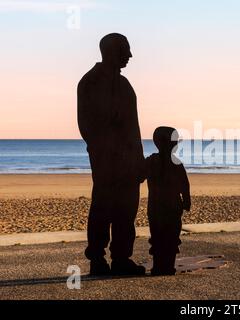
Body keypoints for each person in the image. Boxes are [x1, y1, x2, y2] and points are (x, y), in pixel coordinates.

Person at [77, 33, 146, 276]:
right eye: (125, 50)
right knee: (102, 208)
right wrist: (105, 150)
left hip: (129, 162)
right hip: (106, 161)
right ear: (110, 51)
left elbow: (133, 128)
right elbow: (87, 125)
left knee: (126, 211)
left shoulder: (125, 85)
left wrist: (138, 160)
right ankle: (97, 258)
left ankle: (121, 257)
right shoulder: (91, 82)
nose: (129, 55)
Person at [144, 127, 191, 276]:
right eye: (174, 142)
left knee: (162, 236)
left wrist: (187, 198)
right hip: (169, 205)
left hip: (158, 206)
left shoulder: (152, 161)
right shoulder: (174, 163)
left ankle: (161, 266)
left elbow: (184, 184)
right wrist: (186, 199)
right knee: (167, 236)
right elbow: (185, 184)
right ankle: (165, 266)